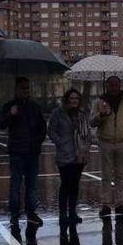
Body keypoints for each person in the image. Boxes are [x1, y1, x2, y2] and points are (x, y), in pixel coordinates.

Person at [0, 77, 46, 226]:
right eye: (23, 88)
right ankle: (14, 215)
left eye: (27, 88)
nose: (26, 91)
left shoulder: (35, 107)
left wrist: (37, 142)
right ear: (16, 89)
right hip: (17, 152)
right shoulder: (9, 106)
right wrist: (10, 115)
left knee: (32, 186)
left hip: (32, 152)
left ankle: (31, 213)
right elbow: (0, 124)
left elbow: (42, 128)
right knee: (15, 186)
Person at [90, 76, 123, 219]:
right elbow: (92, 122)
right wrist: (101, 114)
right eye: (111, 85)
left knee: (120, 175)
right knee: (106, 175)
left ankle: (119, 204)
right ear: (107, 86)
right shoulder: (98, 102)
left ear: (120, 85)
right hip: (106, 142)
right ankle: (105, 204)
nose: (114, 87)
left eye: (116, 84)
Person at [48, 88, 92, 225]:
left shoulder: (82, 114)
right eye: (72, 98)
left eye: (77, 99)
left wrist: (86, 145)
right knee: (65, 184)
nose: (74, 101)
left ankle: (73, 212)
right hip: (64, 154)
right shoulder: (58, 113)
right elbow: (51, 131)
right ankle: (62, 214)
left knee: (75, 185)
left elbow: (87, 131)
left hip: (79, 154)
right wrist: (60, 142)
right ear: (67, 99)